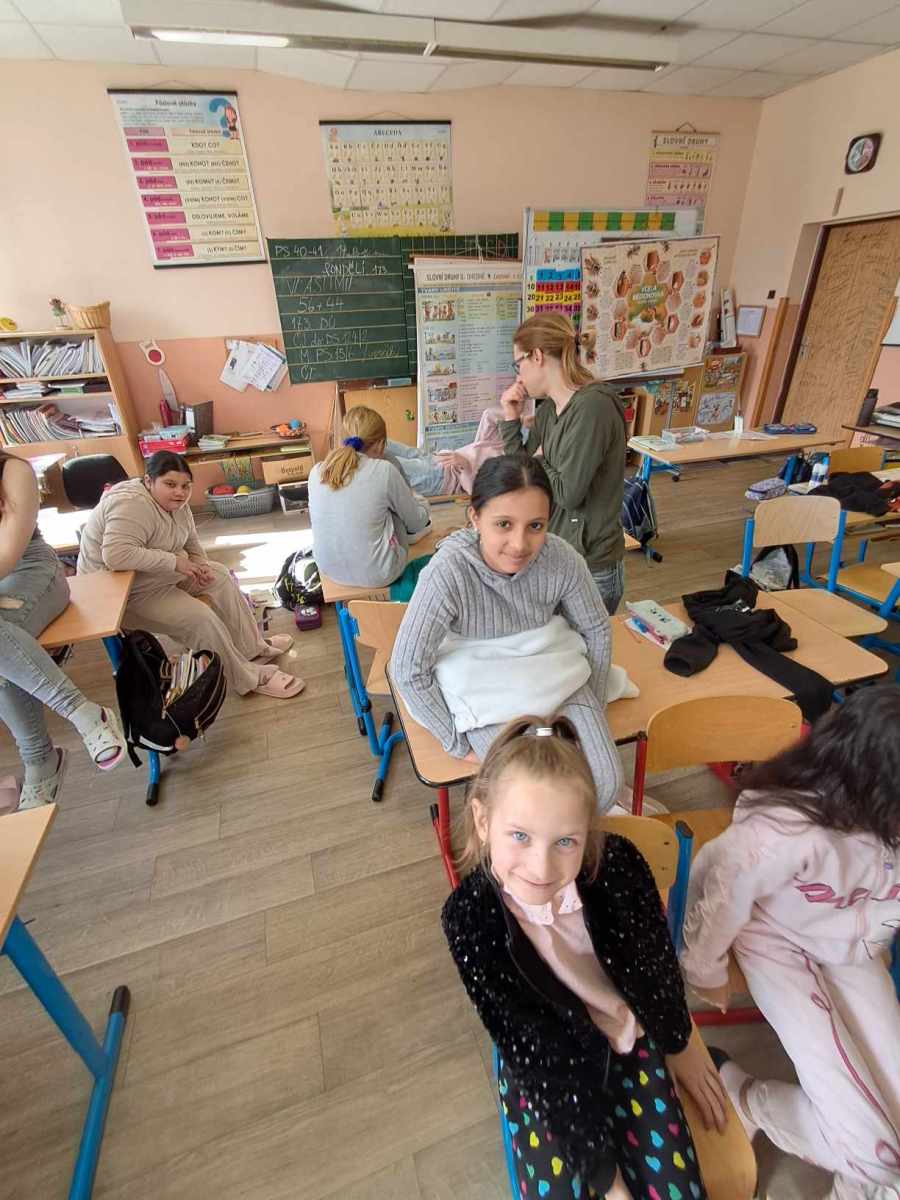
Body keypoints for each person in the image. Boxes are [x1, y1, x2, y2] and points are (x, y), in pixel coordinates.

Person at [442, 716, 728, 1200]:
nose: (541, 867)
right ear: (483, 820)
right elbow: (535, 1047)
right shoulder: (470, 917)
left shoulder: (618, 866)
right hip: (544, 1060)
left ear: (587, 831)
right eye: (520, 836)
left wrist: (680, 1043)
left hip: (628, 1036)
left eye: (565, 842)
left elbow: (655, 965)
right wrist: (606, 1179)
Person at [680, 686, 900, 1200]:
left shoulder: (876, 815)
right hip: (775, 943)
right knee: (876, 1153)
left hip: (848, 946)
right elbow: (720, 889)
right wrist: (705, 970)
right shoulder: (784, 829)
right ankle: (744, 1096)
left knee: (885, 1148)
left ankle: (858, 1184)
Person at [391, 454, 623, 810]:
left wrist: (593, 702)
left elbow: (596, 628)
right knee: (528, 802)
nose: (519, 544)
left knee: (605, 785)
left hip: (556, 674)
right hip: (485, 691)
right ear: (475, 517)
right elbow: (407, 668)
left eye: (535, 526)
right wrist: (456, 743)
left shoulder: (562, 559)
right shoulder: (447, 572)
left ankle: (575, 839)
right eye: (503, 524)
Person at [77, 451, 303, 699]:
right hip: (120, 592)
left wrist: (199, 565)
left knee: (220, 576)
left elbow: (191, 540)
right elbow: (116, 556)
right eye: (170, 484)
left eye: (186, 486)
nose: (180, 492)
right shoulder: (131, 504)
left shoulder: (176, 504)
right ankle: (246, 678)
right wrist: (177, 563)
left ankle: (252, 648)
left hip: (151, 573)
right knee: (199, 618)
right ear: (149, 481)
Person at [0, 454, 126, 809]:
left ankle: (60, 737)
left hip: (31, 571)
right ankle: (52, 748)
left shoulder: (12, 470)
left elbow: (9, 551)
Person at [498, 313, 627, 614]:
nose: (518, 377)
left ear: (537, 356)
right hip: (557, 555)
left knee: (581, 646)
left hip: (590, 568)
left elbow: (569, 493)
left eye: (518, 364)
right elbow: (521, 476)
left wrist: (538, 460)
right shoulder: (548, 410)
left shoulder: (593, 406)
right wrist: (511, 418)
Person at [308, 406, 431, 589]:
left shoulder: (316, 471)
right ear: (381, 444)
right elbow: (416, 523)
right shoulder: (385, 470)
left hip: (329, 569)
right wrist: (423, 505)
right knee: (397, 508)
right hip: (381, 574)